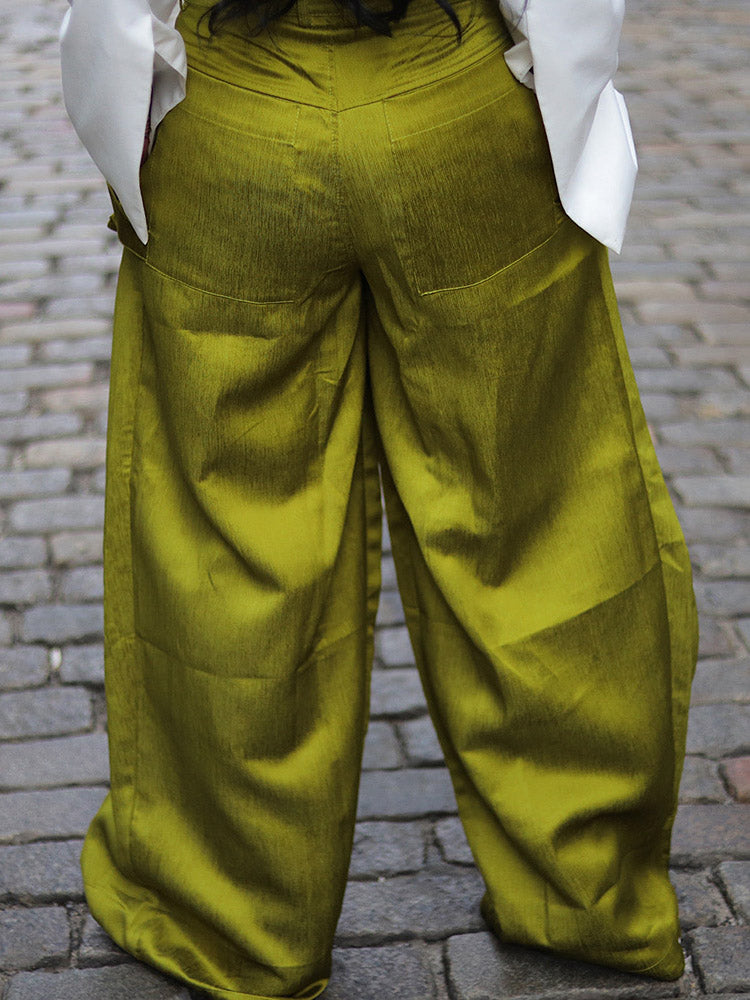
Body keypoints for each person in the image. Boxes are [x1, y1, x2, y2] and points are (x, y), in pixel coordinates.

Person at [59, 0, 699, 996]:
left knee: (228, 544)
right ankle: (591, 891)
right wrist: (561, 94)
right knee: (541, 516)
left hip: (236, 112)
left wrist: (132, 114)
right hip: (455, 99)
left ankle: (234, 920)